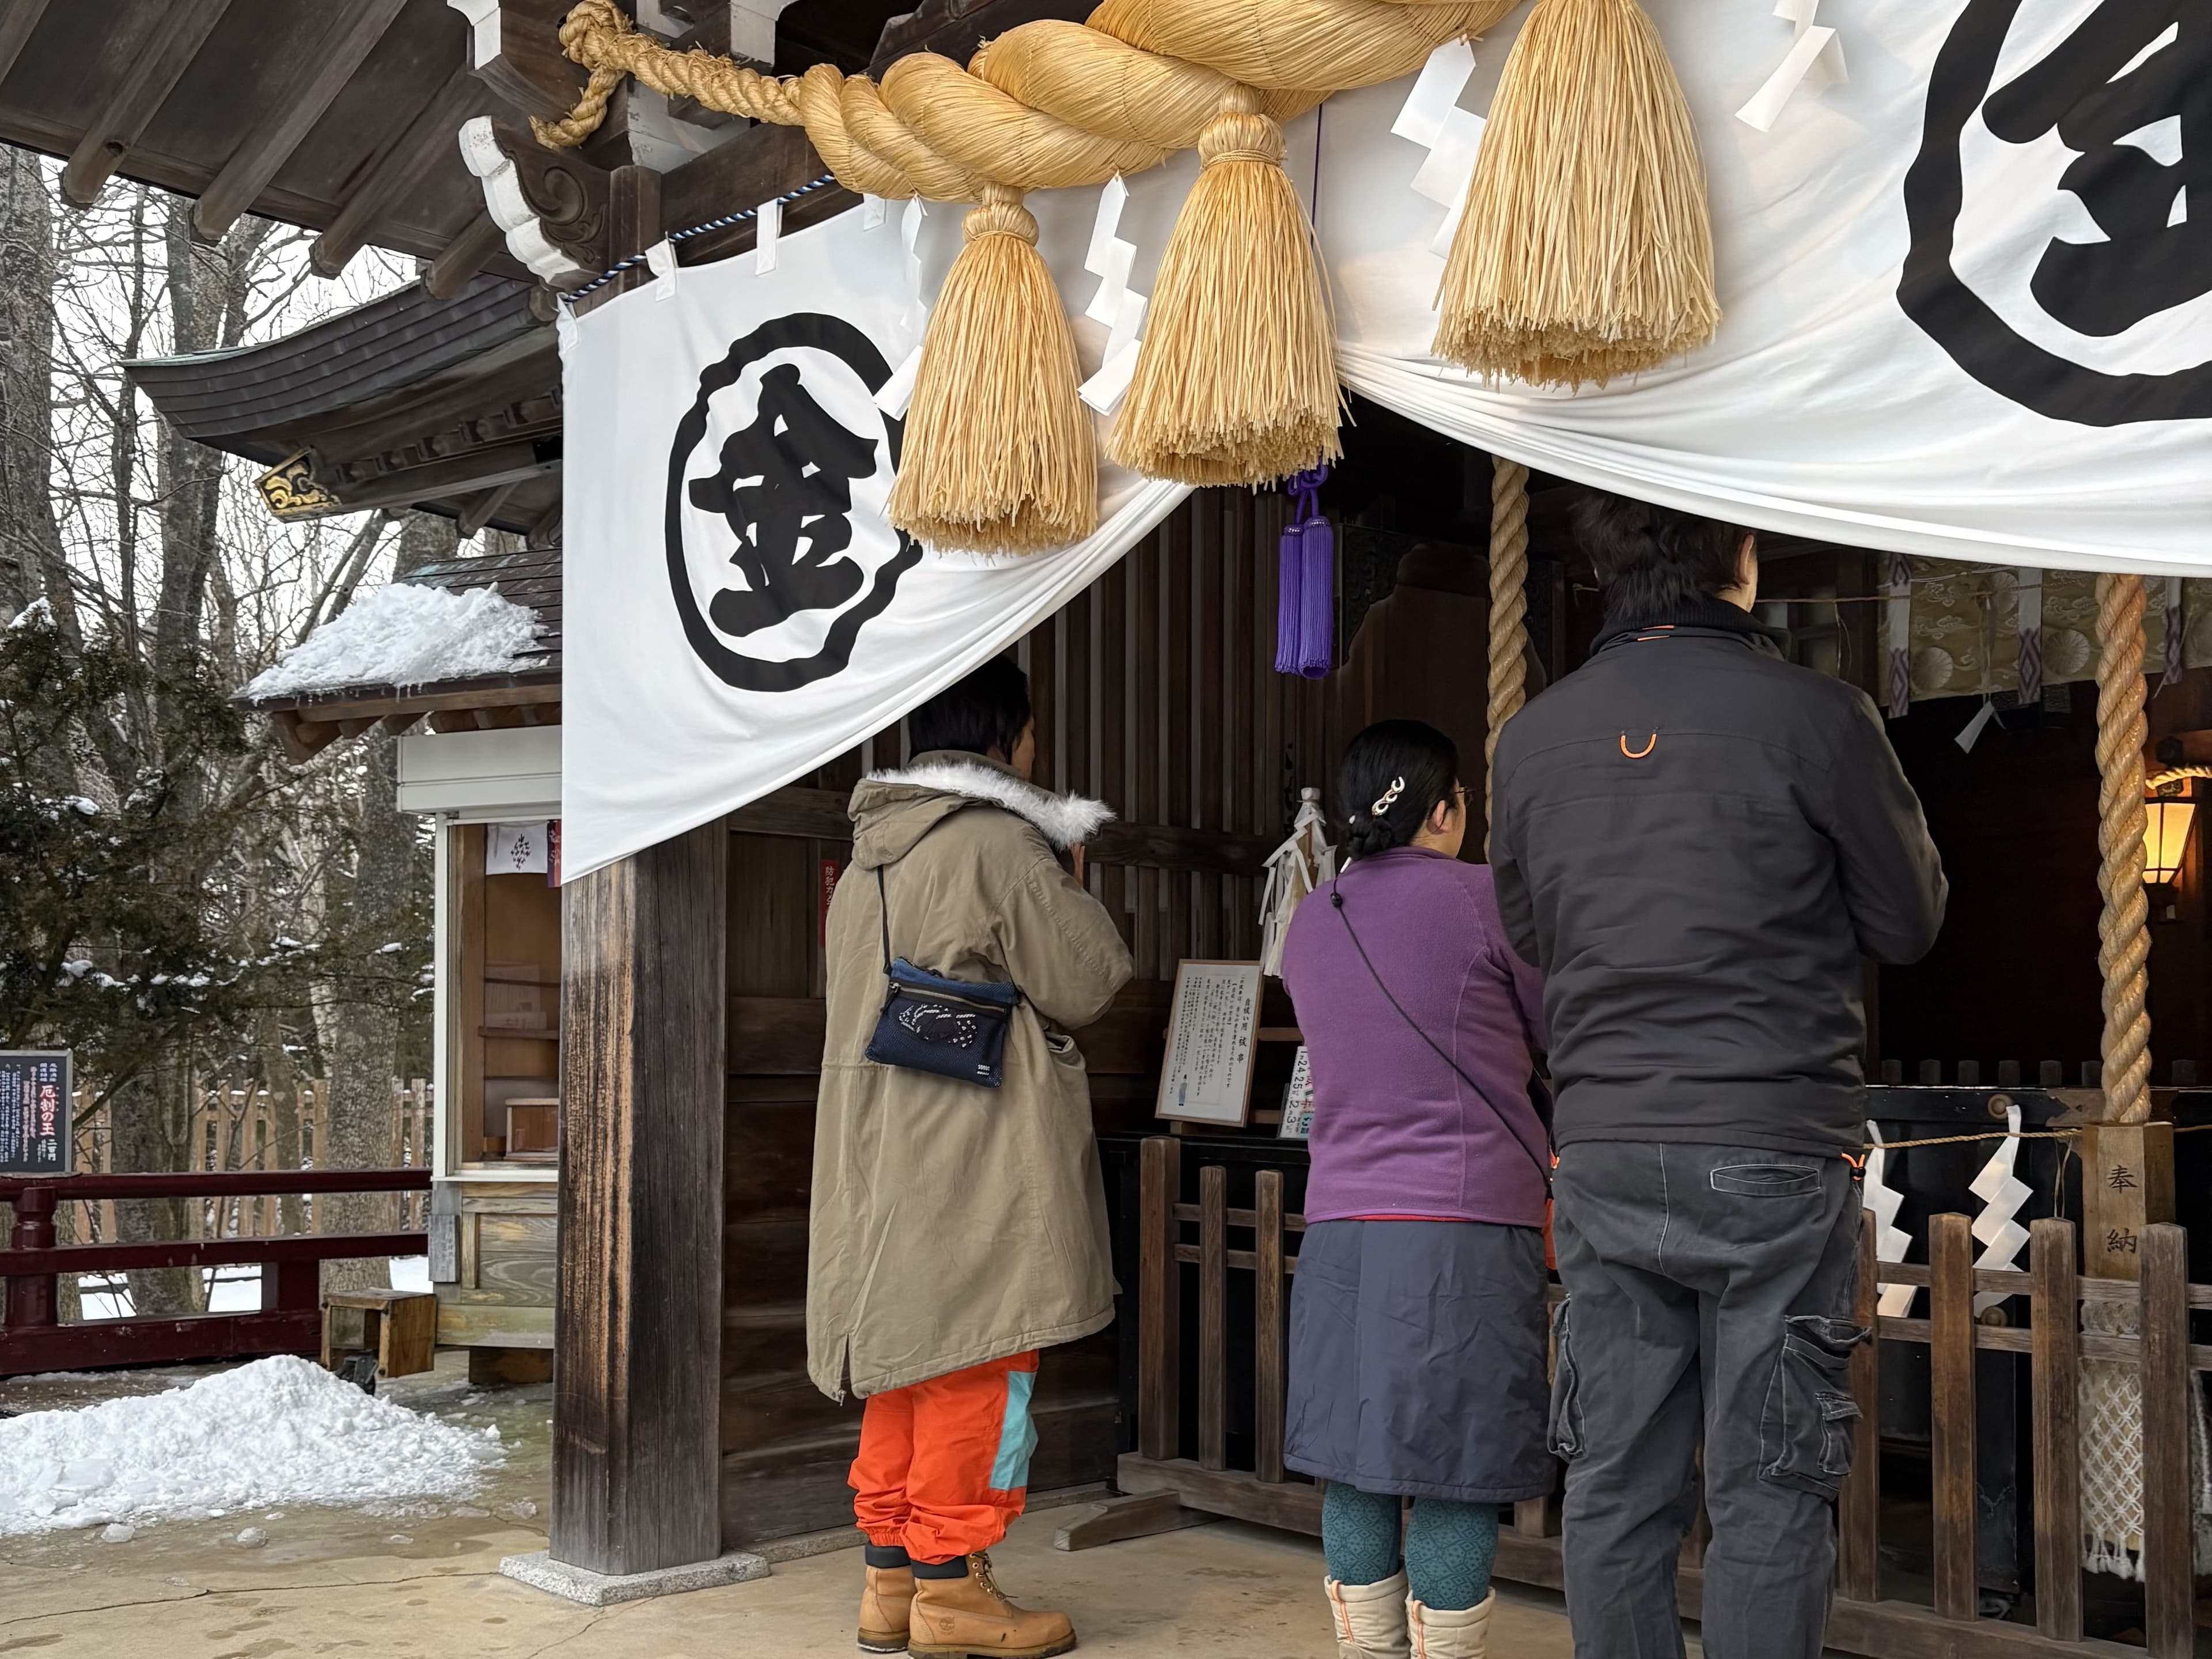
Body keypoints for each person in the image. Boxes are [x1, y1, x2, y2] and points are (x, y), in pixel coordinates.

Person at [1488, 494, 1947, 1659]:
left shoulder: (1534, 739)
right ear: (1739, 556)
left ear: (1605, 572)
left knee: (1614, 1484)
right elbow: (1908, 920)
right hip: (1771, 1136)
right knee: (1769, 1490)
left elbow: (1533, 934)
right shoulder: (1818, 716)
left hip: (1601, 1142)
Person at [809, 654, 1134, 1659]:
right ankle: (955, 1591)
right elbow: (1090, 977)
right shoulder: (995, 841)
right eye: (1030, 735)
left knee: (906, 1361)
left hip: (876, 1153)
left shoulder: (866, 858)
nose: (1036, 752)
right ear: (1005, 735)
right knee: (981, 1361)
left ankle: (890, 1584)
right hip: (972, 1152)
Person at [1279, 719, 1554, 1659]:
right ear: (1443, 810)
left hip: (1343, 1220)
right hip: (1464, 1223)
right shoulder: (1486, 900)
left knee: (1356, 1464)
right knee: (1457, 1465)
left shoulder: (1313, 917)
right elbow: (1561, 1026)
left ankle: (1367, 1651)